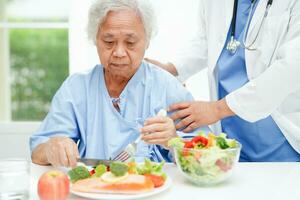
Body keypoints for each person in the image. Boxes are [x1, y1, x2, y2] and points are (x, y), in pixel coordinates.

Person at [30, 0, 206, 168]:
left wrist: (173, 141)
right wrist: (51, 148)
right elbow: (37, 152)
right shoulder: (76, 88)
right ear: (95, 40)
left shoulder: (168, 86)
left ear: (147, 41)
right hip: (92, 189)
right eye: (109, 42)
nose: (119, 52)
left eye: (130, 42)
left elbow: (207, 157)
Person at [146, 0, 300, 161]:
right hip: (232, 138)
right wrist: (172, 69)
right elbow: (207, 39)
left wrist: (217, 109)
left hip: (282, 139)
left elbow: (292, 67)